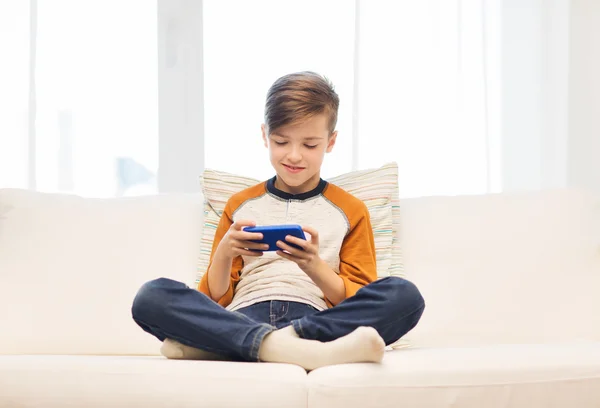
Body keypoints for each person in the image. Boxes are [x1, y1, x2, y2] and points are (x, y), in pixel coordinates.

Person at [131, 71, 425, 371]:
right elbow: (216, 300)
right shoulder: (239, 204)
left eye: (310, 145)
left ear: (331, 141)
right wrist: (225, 252)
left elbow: (355, 299)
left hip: (315, 323)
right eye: (281, 141)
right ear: (265, 135)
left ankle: (247, 345)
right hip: (242, 315)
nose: (294, 156)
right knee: (152, 297)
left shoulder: (351, 209)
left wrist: (314, 265)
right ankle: (297, 351)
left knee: (405, 297)